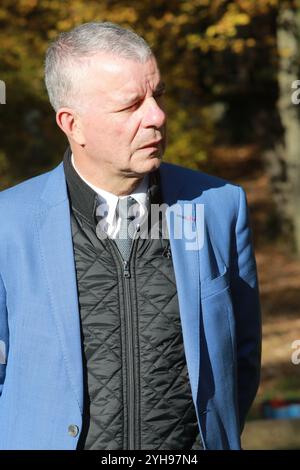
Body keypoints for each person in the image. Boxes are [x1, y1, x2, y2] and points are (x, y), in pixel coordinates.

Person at [0, 22, 261, 450]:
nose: (156, 117)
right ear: (73, 124)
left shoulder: (219, 207)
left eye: (157, 96)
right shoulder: (8, 224)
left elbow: (241, 360)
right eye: (130, 106)